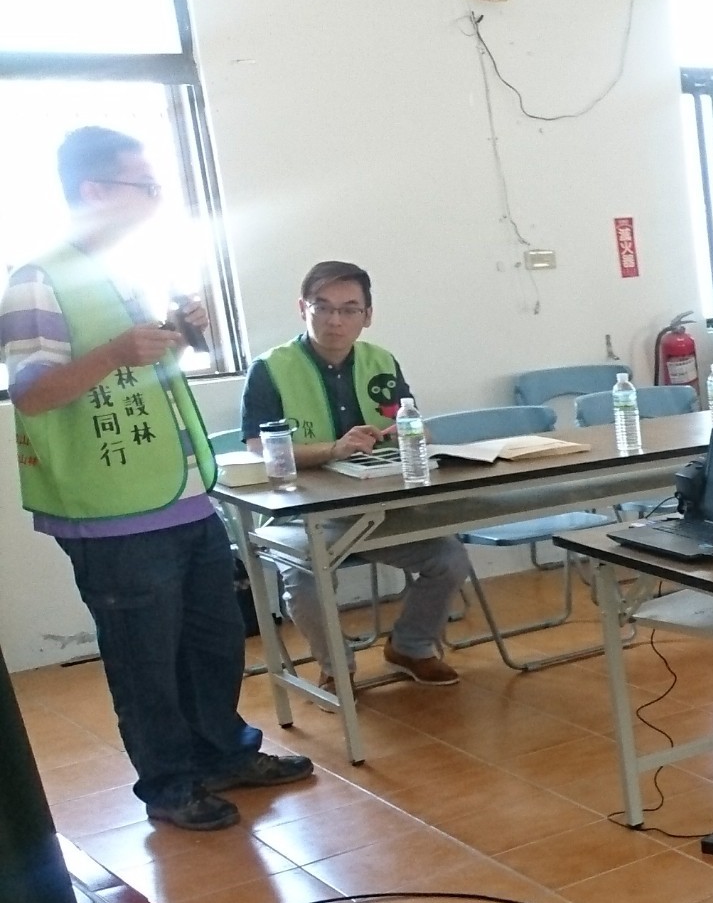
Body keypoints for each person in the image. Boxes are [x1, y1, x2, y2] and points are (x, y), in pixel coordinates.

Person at [5, 126, 311, 829]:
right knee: (146, 660)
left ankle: (223, 754)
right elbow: (33, 394)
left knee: (213, 642)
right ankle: (170, 785)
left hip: (183, 494)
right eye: (143, 185)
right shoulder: (37, 279)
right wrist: (116, 352)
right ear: (93, 190)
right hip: (110, 511)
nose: (155, 198)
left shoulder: (128, 269)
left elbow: (152, 374)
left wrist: (185, 329)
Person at [240, 261, 470, 693]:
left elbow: (407, 420)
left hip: (377, 508)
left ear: (368, 315)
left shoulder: (380, 361)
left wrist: (413, 432)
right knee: (305, 576)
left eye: (349, 309)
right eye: (323, 307)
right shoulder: (271, 368)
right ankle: (336, 666)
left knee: (449, 558)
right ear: (302, 309)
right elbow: (258, 447)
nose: (335, 320)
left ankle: (410, 647)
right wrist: (333, 449)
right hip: (303, 513)